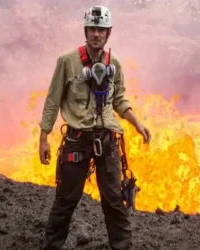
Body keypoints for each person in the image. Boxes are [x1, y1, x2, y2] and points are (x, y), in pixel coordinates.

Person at [38, 5, 151, 250]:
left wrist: (137, 123)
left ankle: (122, 246)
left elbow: (119, 100)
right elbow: (53, 100)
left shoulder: (115, 65)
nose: (96, 34)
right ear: (85, 31)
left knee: (113, 200)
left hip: (107, 140)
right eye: (92, 29)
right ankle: (52, 246)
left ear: (108, 33)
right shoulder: (67, 62)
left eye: (101, 30)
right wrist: (43, 138)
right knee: (66, 200)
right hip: (77, 140)